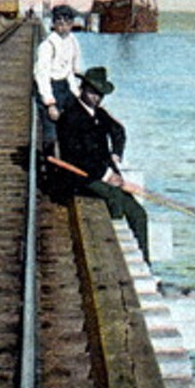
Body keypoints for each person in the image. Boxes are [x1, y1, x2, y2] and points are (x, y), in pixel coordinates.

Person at [56, 66, 149, 261]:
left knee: (138, 213)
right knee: (115, 200)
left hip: (104, 175)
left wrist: (116, 153)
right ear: (83, 89)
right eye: (92, 92)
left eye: (100, 94)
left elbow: (118, 131)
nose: (96, 97)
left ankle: (145, 262)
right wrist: (107, 175)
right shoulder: (70, 117)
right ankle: (112, 252)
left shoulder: (99, 114)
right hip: (80, 179)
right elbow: (76, 157)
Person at [33, 4, 82, 152]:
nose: (64, 28)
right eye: (59, 23)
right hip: (49, 87)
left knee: (74, 126)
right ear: (53, 24)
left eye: (67, 24)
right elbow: (42, 76)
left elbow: (73, 71)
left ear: (72, 24)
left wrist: (79, 95)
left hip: (65, 86)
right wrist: (50, 104)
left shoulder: (72, 41)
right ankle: (49, 164)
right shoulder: (47, 45)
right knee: (51, 133)